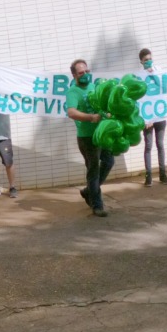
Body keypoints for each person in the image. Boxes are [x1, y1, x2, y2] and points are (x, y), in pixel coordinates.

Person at [65, 59, 113, 218]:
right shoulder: (73, 91)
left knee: (109, 161)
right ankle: (97, 205)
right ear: (74, 75)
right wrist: (90, 117)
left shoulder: (94, 87)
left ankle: (88, 191)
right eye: (81, 73)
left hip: (101, 134)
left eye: (87, 71)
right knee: (93, 171)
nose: (85, 75)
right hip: (87, 138)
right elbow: (71, 112)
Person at [139, 48, 167, 184]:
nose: (149, 62)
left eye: (150, 59)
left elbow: (164, 88)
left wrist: (153, 74)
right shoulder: (139, 75)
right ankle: (148, 176)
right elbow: (139, 98)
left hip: (160, 113)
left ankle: (163, 174)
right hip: (148, 116)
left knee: (160, 144)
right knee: (149, 145)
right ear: (141, 61)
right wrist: (145, 118)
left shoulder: (158, 70)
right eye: (146, 60)